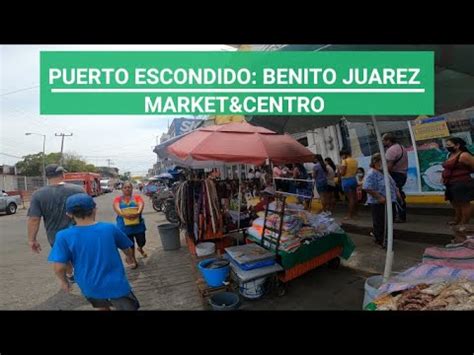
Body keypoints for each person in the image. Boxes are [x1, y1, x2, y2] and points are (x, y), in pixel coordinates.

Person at [48, 193, 140, 310]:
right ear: (94, 209)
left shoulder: (63, 236)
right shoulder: (109, 228)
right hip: (116, 284)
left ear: (69, 214)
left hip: (89, 285)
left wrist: (64, 281)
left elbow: (59, 267)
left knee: (101, 307)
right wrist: (130, 257)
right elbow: (126, 248)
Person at [27, 164, 85, 282]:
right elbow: (89, 211)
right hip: (79, 232)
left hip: (55, 235)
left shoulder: (38, 195)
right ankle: (84, 274)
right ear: (62, 174)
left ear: (46, 176)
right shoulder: (78, 190)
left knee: (64, 257)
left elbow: (34, 219)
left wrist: (32, 240)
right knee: (81, 255)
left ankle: (70, 274)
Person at [363, 153, 399, 248]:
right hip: (379, 202)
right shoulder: (372, 173)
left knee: (390, 219)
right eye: (383, 161)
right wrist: (379, 197)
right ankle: (380, 240)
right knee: (380, 221)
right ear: (375, 162)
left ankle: (387, 236)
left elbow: (392, 183)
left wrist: (397, 192)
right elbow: (367, 187)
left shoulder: (384, 172)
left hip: (390, 200)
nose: (385, 163)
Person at [113, 182, 147, 269]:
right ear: (122, 189)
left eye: (129, 187)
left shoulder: (137, 197)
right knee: (130, 244)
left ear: (132, 189)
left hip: (138, 225)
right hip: (124, 226)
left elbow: (141, 204)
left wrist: (138, 212)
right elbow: (116, 207)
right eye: (125, 187)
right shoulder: (118, 199)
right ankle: (133, 260)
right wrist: (123, 214)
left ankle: (140, 248)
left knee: (142, 241)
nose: (127, 189)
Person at [442, 137, 474, 225]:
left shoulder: (464, 155)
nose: (446, 147)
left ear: (457, 145)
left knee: (464, 204)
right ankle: (457, 219)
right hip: (450, 183)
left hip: (462, 183)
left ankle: (464, 223)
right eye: (446, 145)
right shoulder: (450, 155)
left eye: (449, 145)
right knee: (455, 203)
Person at [383, 133, 408, 223]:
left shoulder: (391, 150)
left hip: (395, 174)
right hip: (402, 173)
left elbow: (389, 166)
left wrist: (385, 176)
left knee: (395, 195)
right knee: (398, 193)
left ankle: (399, 215)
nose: (383, 142)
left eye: (384, 140)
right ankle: (400, 215)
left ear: (388, 141)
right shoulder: (401, 147)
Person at [339, 149, 359, 220]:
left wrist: (339, 170)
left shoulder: (345, 161)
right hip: (353, 179)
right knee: (354, 198)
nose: (341, 157)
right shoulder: (355, 161)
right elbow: (356, 171)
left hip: (346, 180)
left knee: (350, 199)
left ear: (344, 154)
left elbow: (342, 173)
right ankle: (355, 213)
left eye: (341, 156)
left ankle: (349, 215)